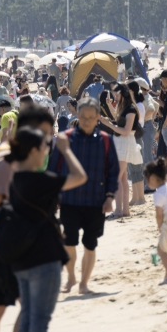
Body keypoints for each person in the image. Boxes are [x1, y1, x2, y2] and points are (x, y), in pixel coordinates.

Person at [0, 106, 55, 332]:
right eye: (44, 134)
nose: (47, 141)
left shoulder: (11, 152)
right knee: (30, 306)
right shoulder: (9, 159)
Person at [5, 127, 87, 332]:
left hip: (21, 259)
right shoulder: (41, 180)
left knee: (28, 319)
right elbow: (80, 176)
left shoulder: (14, 180)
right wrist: (66, 151)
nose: (47, 151)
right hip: (45, 257)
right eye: (44, 148)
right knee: (39, 322)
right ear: (33, 151)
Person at [48, 97, 119, 294]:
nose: (87, 121)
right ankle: (71, 277)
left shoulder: (105, 140)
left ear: (98, 117)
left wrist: (110, 197)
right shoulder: (65, 139)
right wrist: (53, 199)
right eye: (83, 116)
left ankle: (84, 283)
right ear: (77, 115)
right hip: (69, 201)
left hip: (96, 201)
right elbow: (53, 170)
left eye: (91, 117)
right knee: (69, 242)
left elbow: (113, 172)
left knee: (90, 243)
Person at [100, 83, 143, 218]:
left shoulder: (130, 108)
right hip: (121, 142)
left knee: (117, 178)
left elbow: (126, 131)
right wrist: (110, 110)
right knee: (123, 178)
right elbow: (120, 121)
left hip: (124, 142)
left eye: (117, 94)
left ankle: (119, 210)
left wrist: (108, 124)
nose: (115, 96)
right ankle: (124, 210)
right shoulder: (125, 107)